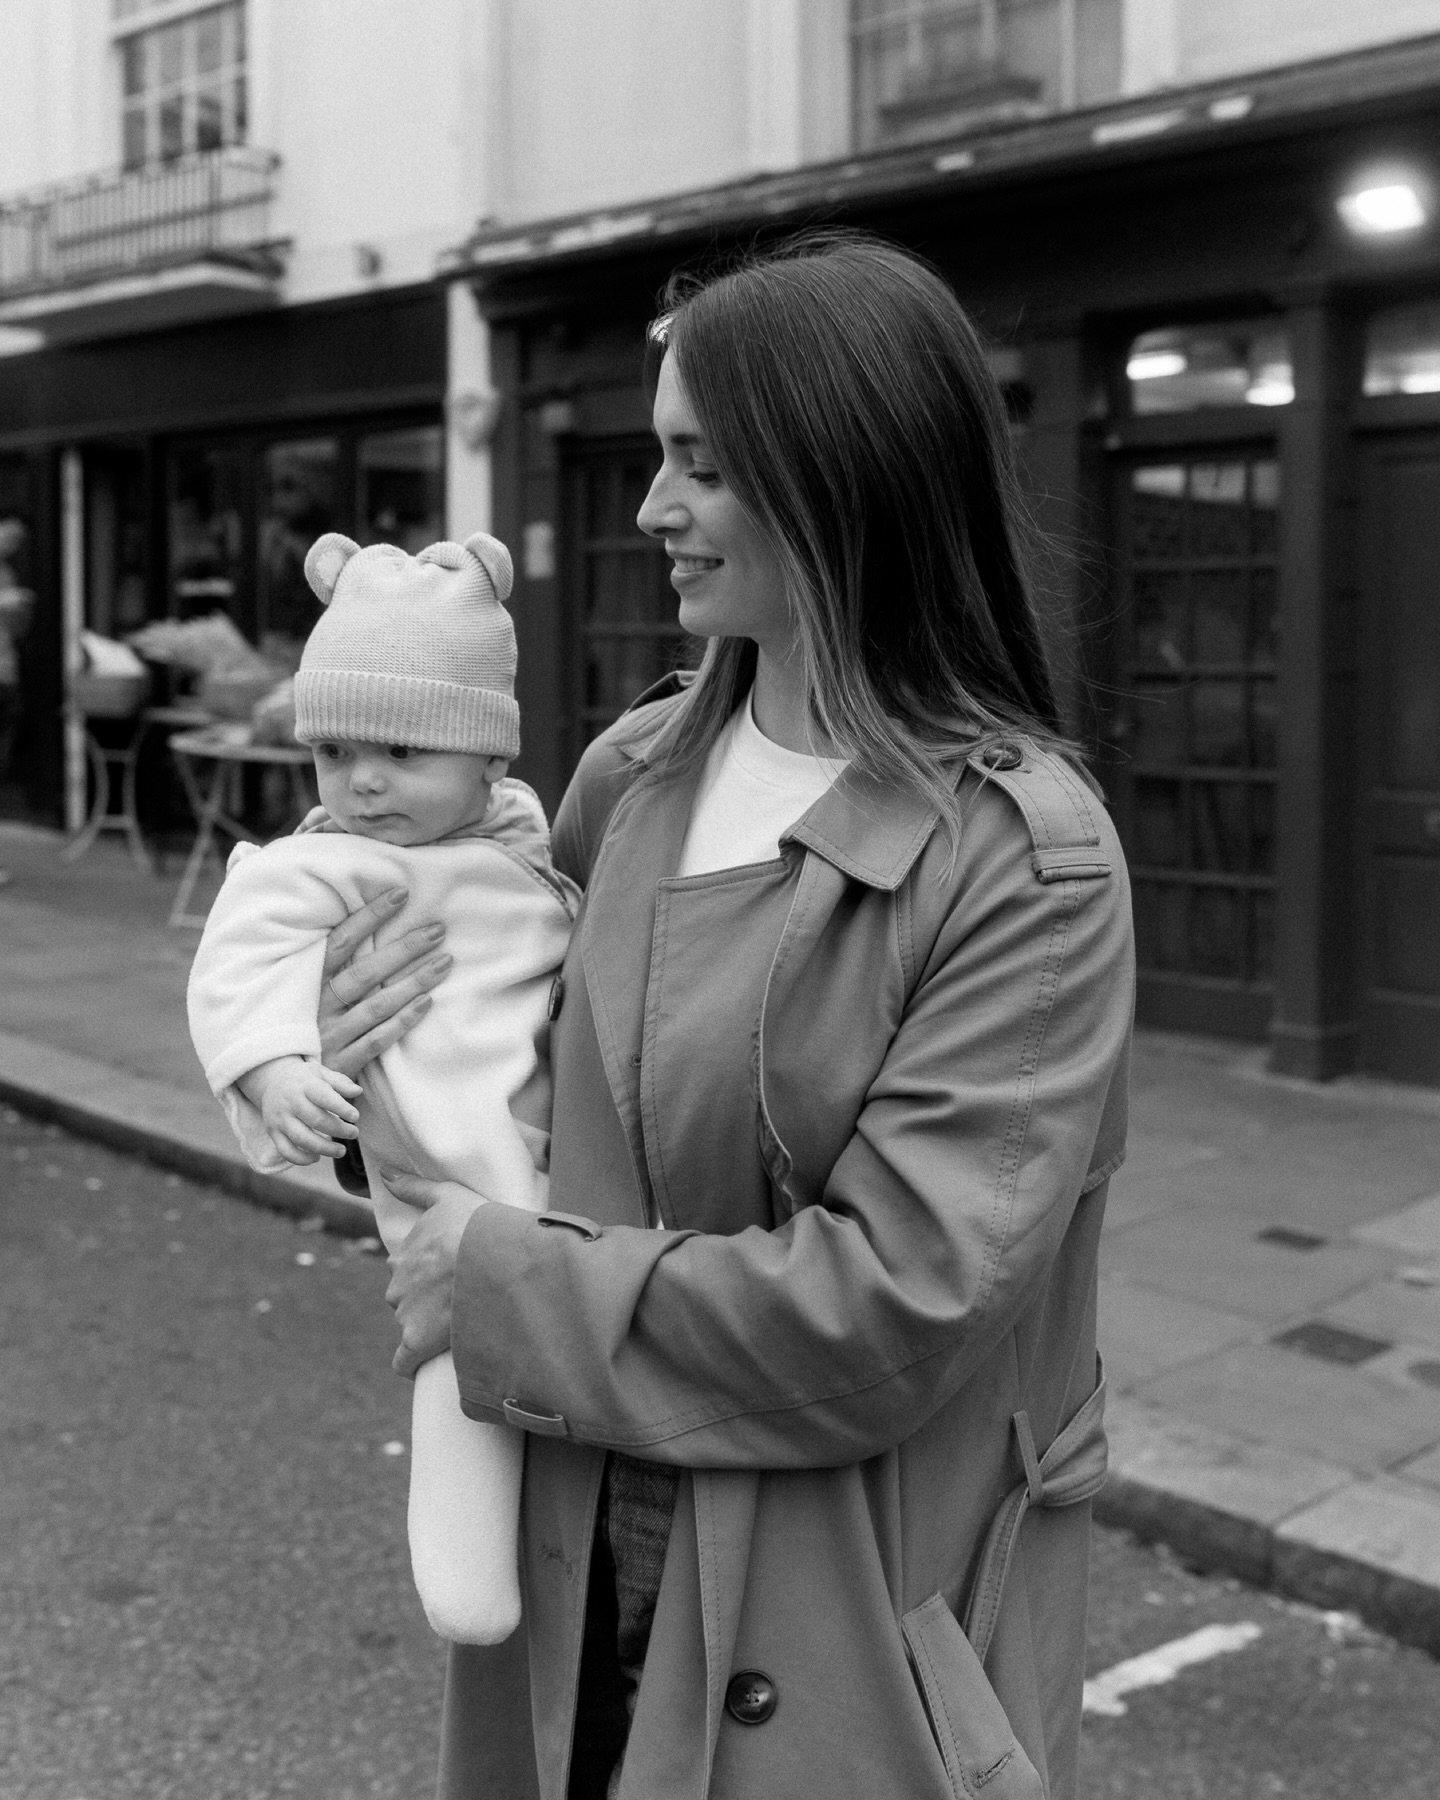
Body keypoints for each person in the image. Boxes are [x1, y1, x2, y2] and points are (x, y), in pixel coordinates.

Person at [313, 232, 1135, 1800]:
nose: (648, 509)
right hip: (578, 1553)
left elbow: (896, 1306)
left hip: (843, 1635)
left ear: (841, 479)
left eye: (697, 462)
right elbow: (524, 1122)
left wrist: (489, 1283)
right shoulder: (625, 782)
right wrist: (369, 1074)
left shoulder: (1028, 863)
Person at [187, 529, 578, 1646]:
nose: (361, 781)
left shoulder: (520, 840)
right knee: (460, 1359)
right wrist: (276, 1070)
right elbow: (235, 966)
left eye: (402, 751)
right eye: (335, 751)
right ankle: (470, 1588)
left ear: (488, 760)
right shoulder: (320, 861)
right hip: (451, 1188)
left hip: (566, 1177)